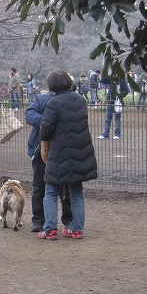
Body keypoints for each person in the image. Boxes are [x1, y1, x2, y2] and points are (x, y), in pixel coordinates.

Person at [38, 69, 97, 240]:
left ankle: (49, 229)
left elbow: (45, 129)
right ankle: (77, 229)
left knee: (50, 191)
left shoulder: (53, 103)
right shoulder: (80, 100)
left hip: (59, 153)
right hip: (80, 152)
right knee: (76, 191)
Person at [25, 92, 72, 232]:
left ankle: (68, 219)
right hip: (40, 148)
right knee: (39, 184)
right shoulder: (42, 99)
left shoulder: (68, 100)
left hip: (63, 148)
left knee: (65, 186)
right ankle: (38, 219)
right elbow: (29, 114)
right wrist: (47, 121)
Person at [98, 72, 129, 139]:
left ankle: (117, 134)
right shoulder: (111, 79)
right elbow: (102, 80)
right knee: (108, 119)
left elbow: (126, 91)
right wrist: (106, 72)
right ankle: (106, 134)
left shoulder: (121, 81)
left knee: (117, 119)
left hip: (117, 102)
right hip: (110, 102)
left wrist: (119, 95)